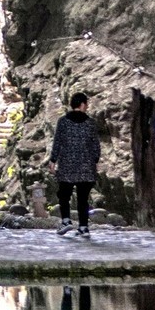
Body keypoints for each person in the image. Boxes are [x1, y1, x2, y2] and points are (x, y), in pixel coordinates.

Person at [50, 92, 101, 237]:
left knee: (64, 195)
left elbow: (57, 142)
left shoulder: (63, 121)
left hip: (67, 165)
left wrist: (53, 160)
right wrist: (95, 160)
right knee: (83, 198)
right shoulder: (90, 123)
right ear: (83, 104)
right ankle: (84, 227)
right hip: (86, 166)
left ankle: (66, 221)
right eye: (87, 104)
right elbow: (95, 145)